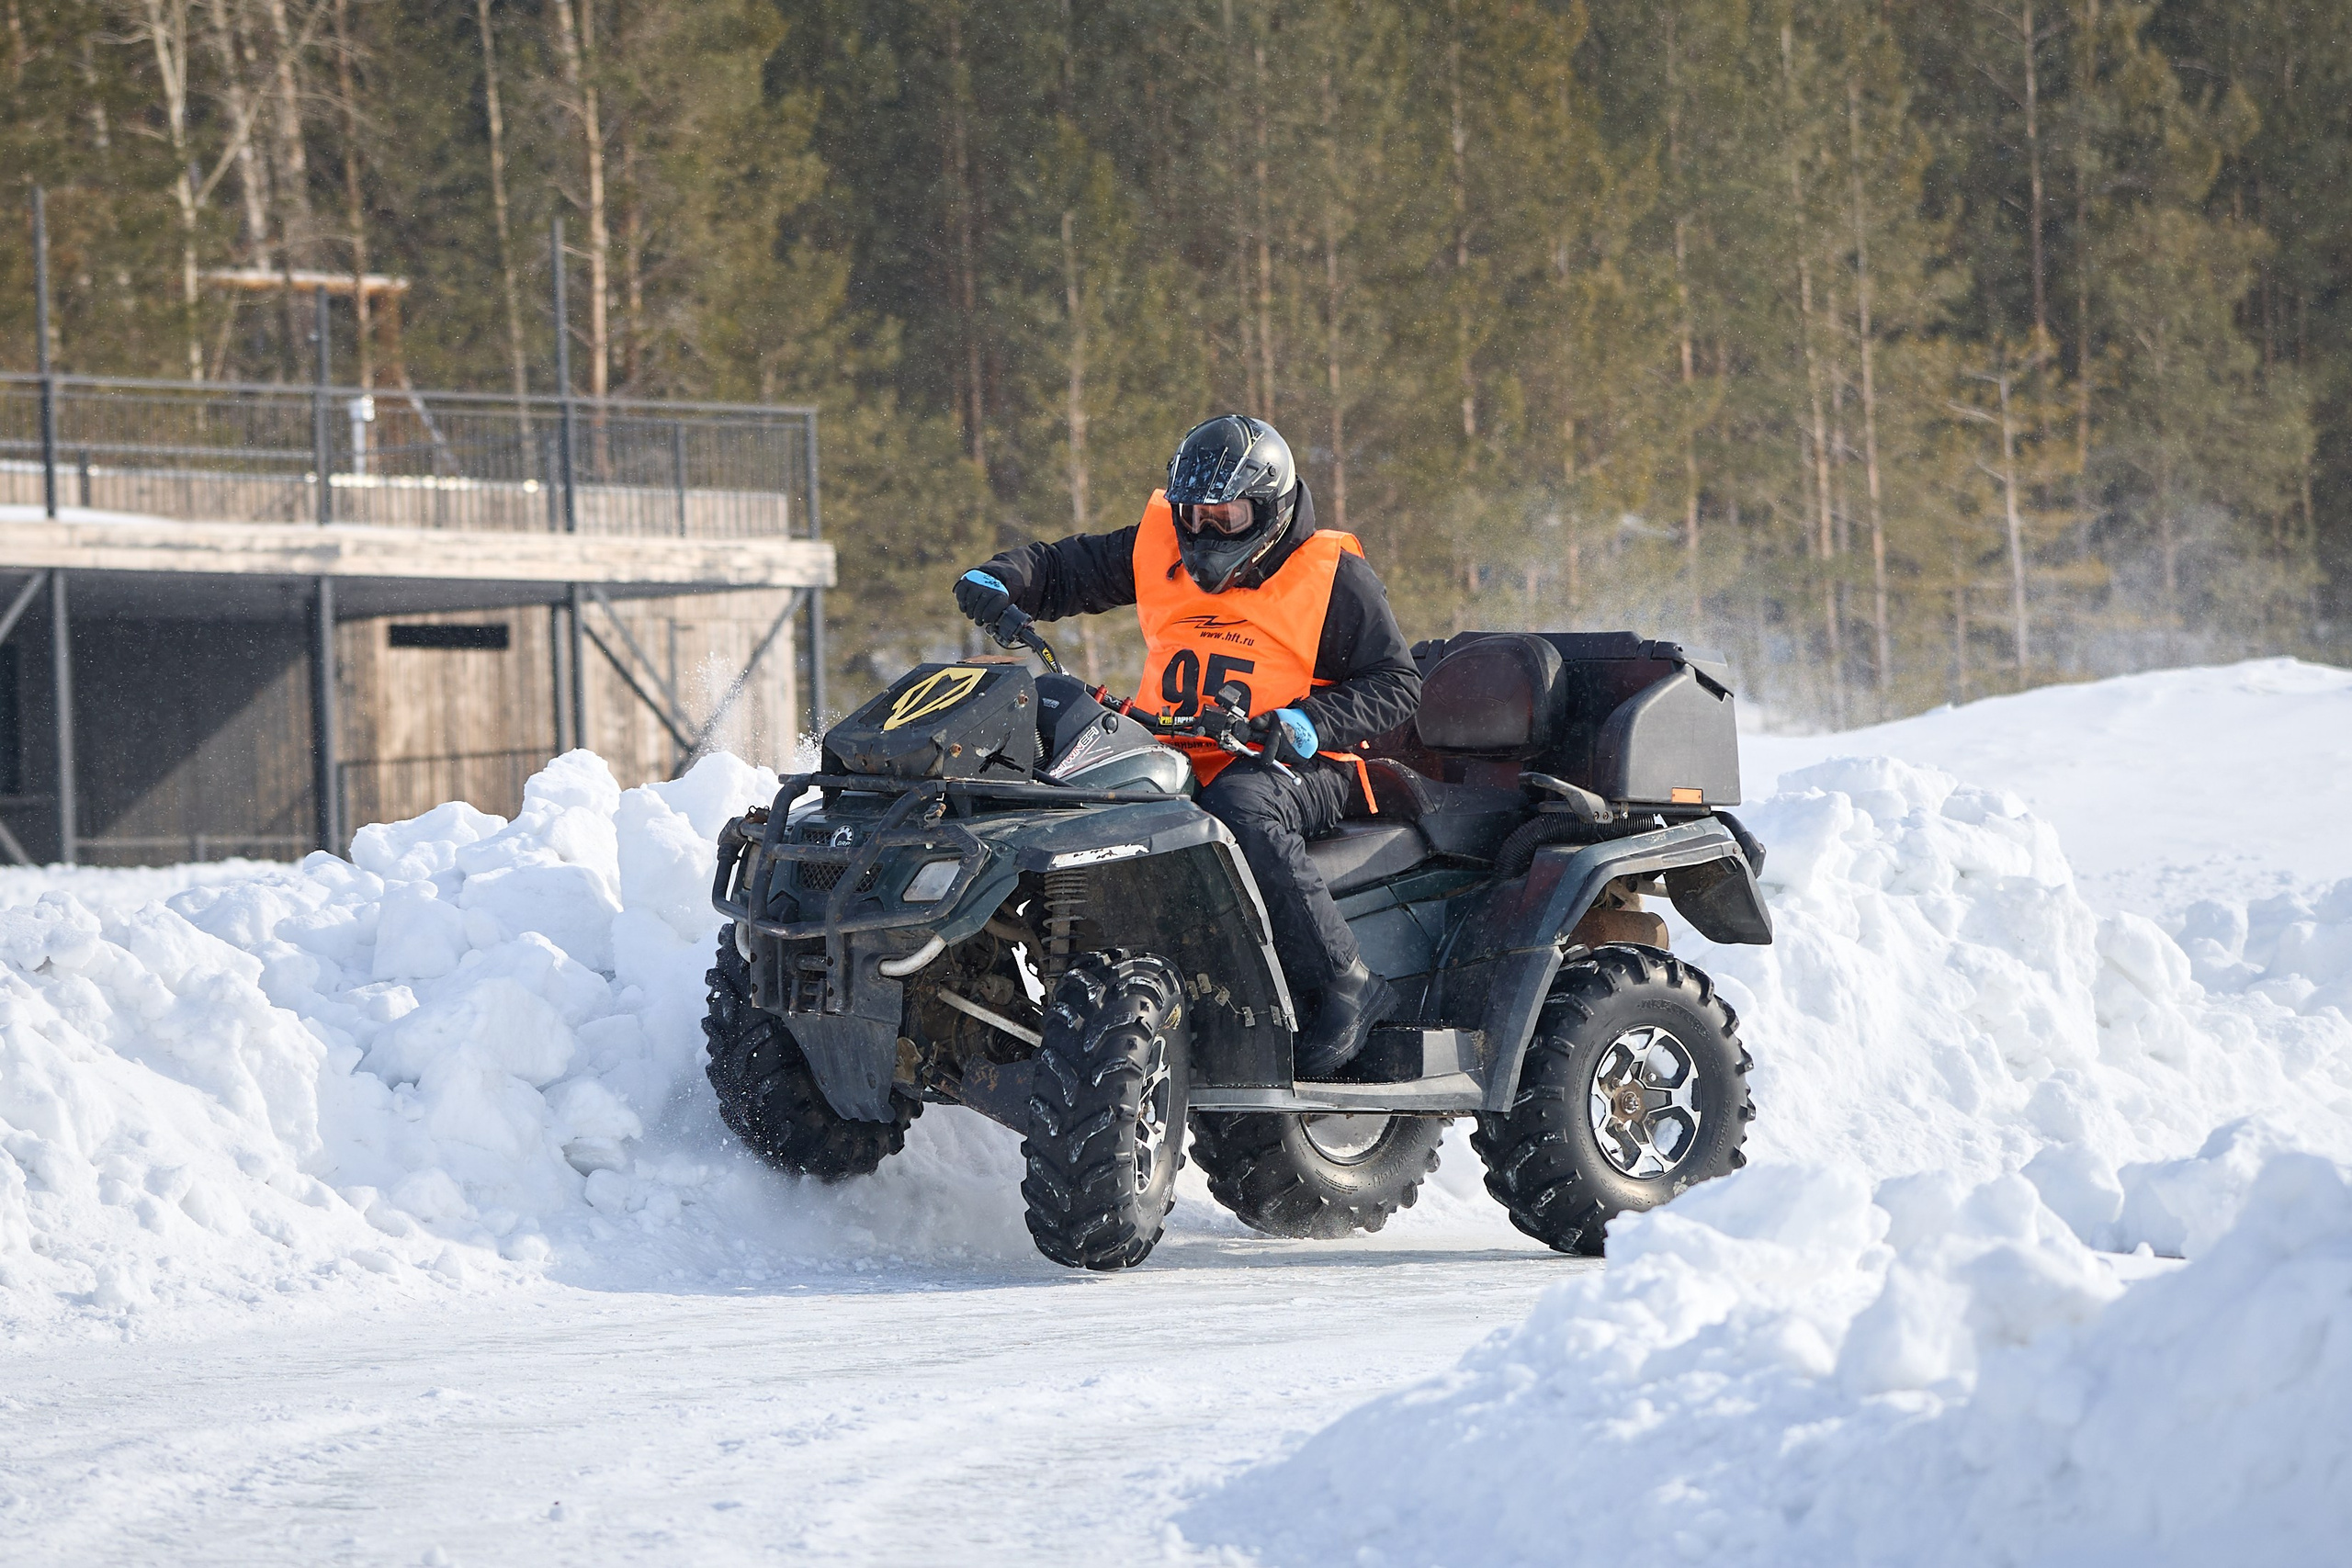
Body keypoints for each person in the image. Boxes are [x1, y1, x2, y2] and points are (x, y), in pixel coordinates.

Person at [953, 413, 1421, 1077]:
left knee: (1239, 808)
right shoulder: (1158, 544)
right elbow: (1063, 569)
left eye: (1225, 518)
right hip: (1174, 748)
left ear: (1272, 511)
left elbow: (1397, 683)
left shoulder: (1330, 575)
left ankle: (1347, 982)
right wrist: (1004, 578)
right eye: (1192, 516)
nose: (1203, 533)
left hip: (1295, 761)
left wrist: (1305, 723)